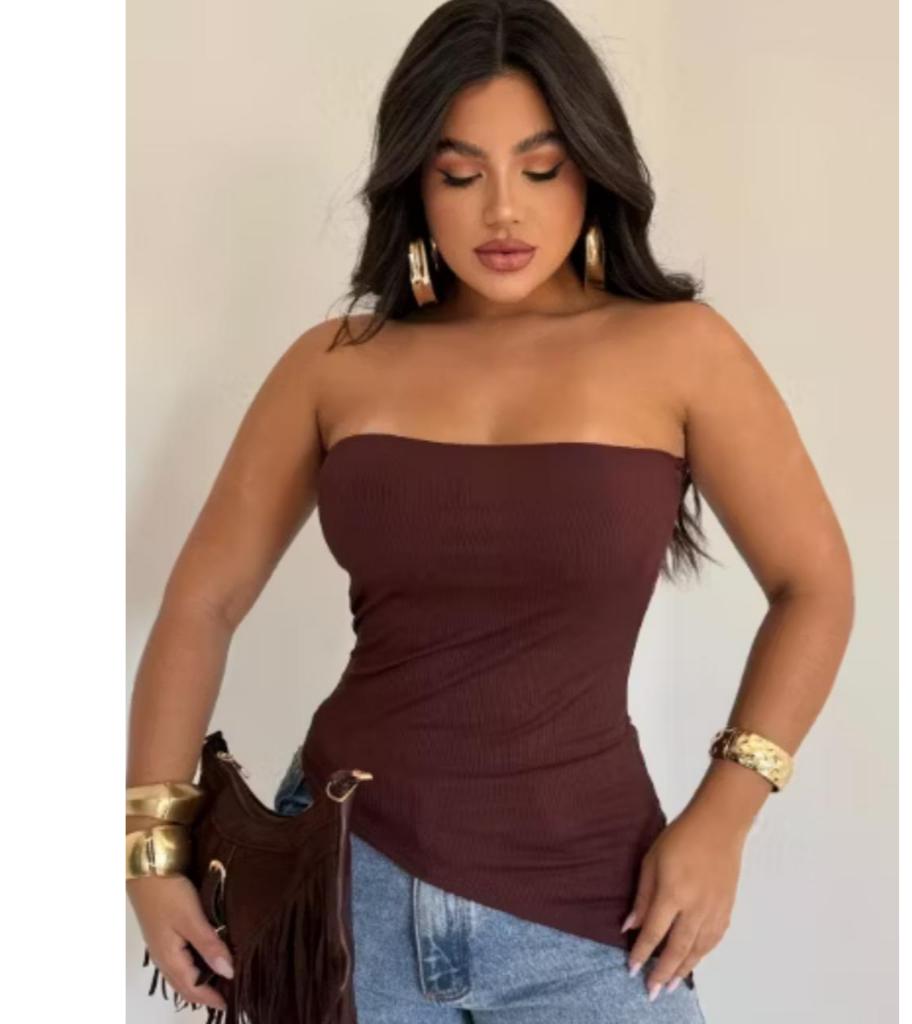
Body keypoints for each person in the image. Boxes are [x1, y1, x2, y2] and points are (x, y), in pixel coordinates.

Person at [126, 1, 855, 1021]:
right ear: (414, 185)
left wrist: (725, 815)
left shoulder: (682, 351)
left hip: (601, 907)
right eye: (460, 174)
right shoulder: (334, 366)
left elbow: (814, 585)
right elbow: (203, 600)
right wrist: (150, 848)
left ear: (591, 169)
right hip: (345, 891)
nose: (502, 210)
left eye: (540, 168)